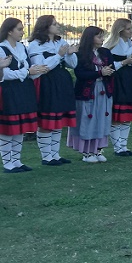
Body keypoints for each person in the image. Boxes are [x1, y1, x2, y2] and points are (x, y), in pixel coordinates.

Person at [28, 15, 77, 165]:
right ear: (45, 26)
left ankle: (55, 155)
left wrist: (70, 53)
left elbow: (73, 64)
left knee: (59, 118)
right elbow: (42, 67)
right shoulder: (35, 45)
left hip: (62, 81)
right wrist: (59, 55)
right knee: (47, 120)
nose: (58, 26)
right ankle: (46, 156)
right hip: (47, 82)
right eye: (54, 24)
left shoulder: (60, 41)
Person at [0, 17, 41, 172]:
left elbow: (27, 68)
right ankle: (7, 163)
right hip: (9, 91)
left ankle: (17, 160)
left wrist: (34, 71)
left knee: (20, 128)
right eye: (19, 29)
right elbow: (5, 74)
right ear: (9, 31)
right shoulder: (1, 48)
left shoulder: (22, 47)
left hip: (24, 89)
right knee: (8, 128)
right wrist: (27, 72)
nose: (22, 32)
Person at [70, 26, 114, 163]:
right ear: (90, 38)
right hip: (87, 91)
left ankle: (98, 149)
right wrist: (100, 73)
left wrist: (108, 71)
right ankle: (87, 152)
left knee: (102, 119)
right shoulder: (81, 53)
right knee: (88, 119)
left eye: (102, 36)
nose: (102, 39)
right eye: (99, 36)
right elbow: (80, 74)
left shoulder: (105, 52)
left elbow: (112, 67)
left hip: (103, 89)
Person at [104, 18, 132, 156]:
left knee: (128, 116)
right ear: (120, 30)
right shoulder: (110, 45)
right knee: (118, 116)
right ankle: (118, 147)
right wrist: (125, 61)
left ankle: (124, 146)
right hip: (119, 80)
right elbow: (108, 67)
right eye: (128, 29)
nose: (131, 31)